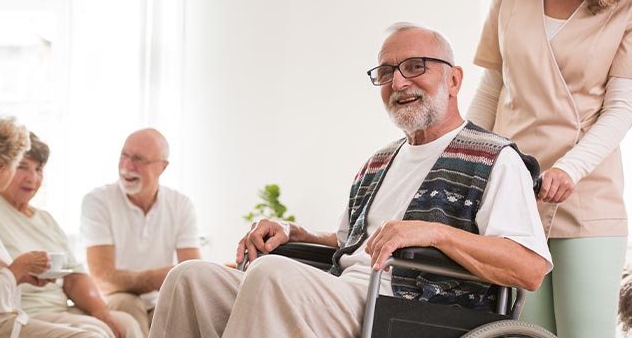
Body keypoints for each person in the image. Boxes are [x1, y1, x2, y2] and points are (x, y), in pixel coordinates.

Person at [148, 22, 553, 337]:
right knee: (190, 277)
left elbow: (529, 268)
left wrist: (435, 233)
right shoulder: (378, 162)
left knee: (274, 275)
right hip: (347, 292)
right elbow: (348, 244)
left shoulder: (494, 158)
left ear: (454, 79)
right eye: (386, 72)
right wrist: (292, 232)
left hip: (413, 307)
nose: (398, 82)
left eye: (415, 67)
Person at [468, 0, 632, 336]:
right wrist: (466, 158)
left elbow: (621, 108)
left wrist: (570, 169)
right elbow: (492, 90)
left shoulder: (626, 5)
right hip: (513, 192)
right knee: (525, 333)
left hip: (586, 197)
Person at [0, 110, 111, 337]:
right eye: (18, 165)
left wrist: (20, 276)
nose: (30, 177)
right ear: (1, 167)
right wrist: (18, 268)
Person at [0, 132, 144, 338]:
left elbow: (74, 276)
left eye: (38, 169)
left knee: (126, 323)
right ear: (3, 167)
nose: (32, 178)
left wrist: (102, 313)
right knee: (95, 334)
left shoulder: (45, 220)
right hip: (23, 313)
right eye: (22, 167)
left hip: (60, 309)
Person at [80, 128, 201, 336]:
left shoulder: (181, 205)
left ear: (162, 167)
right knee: (129, 303)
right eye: (123, 156)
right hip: (113, 297)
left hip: (159, 299)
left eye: (138, 159)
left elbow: (192, 269)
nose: (127, 167)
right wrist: (154, 278)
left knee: (186, 310)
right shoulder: (98, 201)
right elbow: (102, 278)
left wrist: (162, 280)